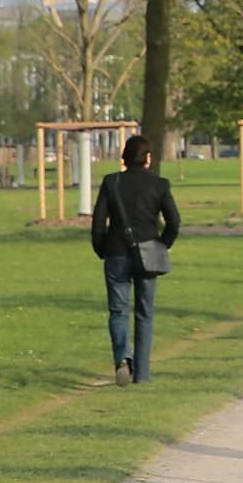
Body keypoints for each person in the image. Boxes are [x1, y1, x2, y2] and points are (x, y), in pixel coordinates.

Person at [90, 134, 181, 386]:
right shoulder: (160, 184)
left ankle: (122, 359)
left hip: (116, 252)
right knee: (144, 312)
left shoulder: (112, 182)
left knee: (118, 311)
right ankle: (142, 373)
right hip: (149, 252)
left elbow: (98, 222)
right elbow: (174, 221)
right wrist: (163, 245)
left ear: (125, 158)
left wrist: (102, 248)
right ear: (148, 158)